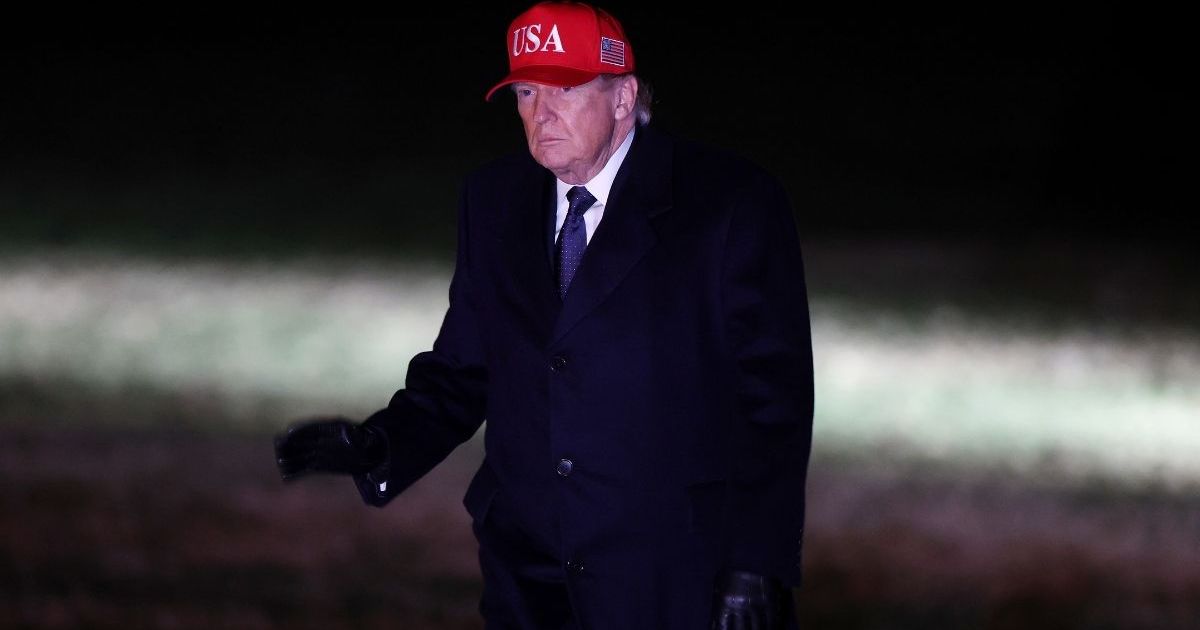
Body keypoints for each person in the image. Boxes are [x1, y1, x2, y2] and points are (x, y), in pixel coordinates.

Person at [274, 2, 814, 628]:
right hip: (528, 575)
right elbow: (462, 369)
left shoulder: (729, 204)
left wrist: (756, 563)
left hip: (675, 572)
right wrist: (380, 445)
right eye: (526, 92)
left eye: (564, 89)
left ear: (623, 97)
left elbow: (773, 403)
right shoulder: (493, 201)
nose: (541, 113)